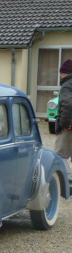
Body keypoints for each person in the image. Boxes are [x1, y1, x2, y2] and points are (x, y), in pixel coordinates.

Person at [54, 59, 72, 189]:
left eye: (62, 72)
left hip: (69, 128)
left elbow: (69, 104)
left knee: (60, 155)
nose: (60, 75)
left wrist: (65, 123)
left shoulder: (67, 85)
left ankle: (68, 183)